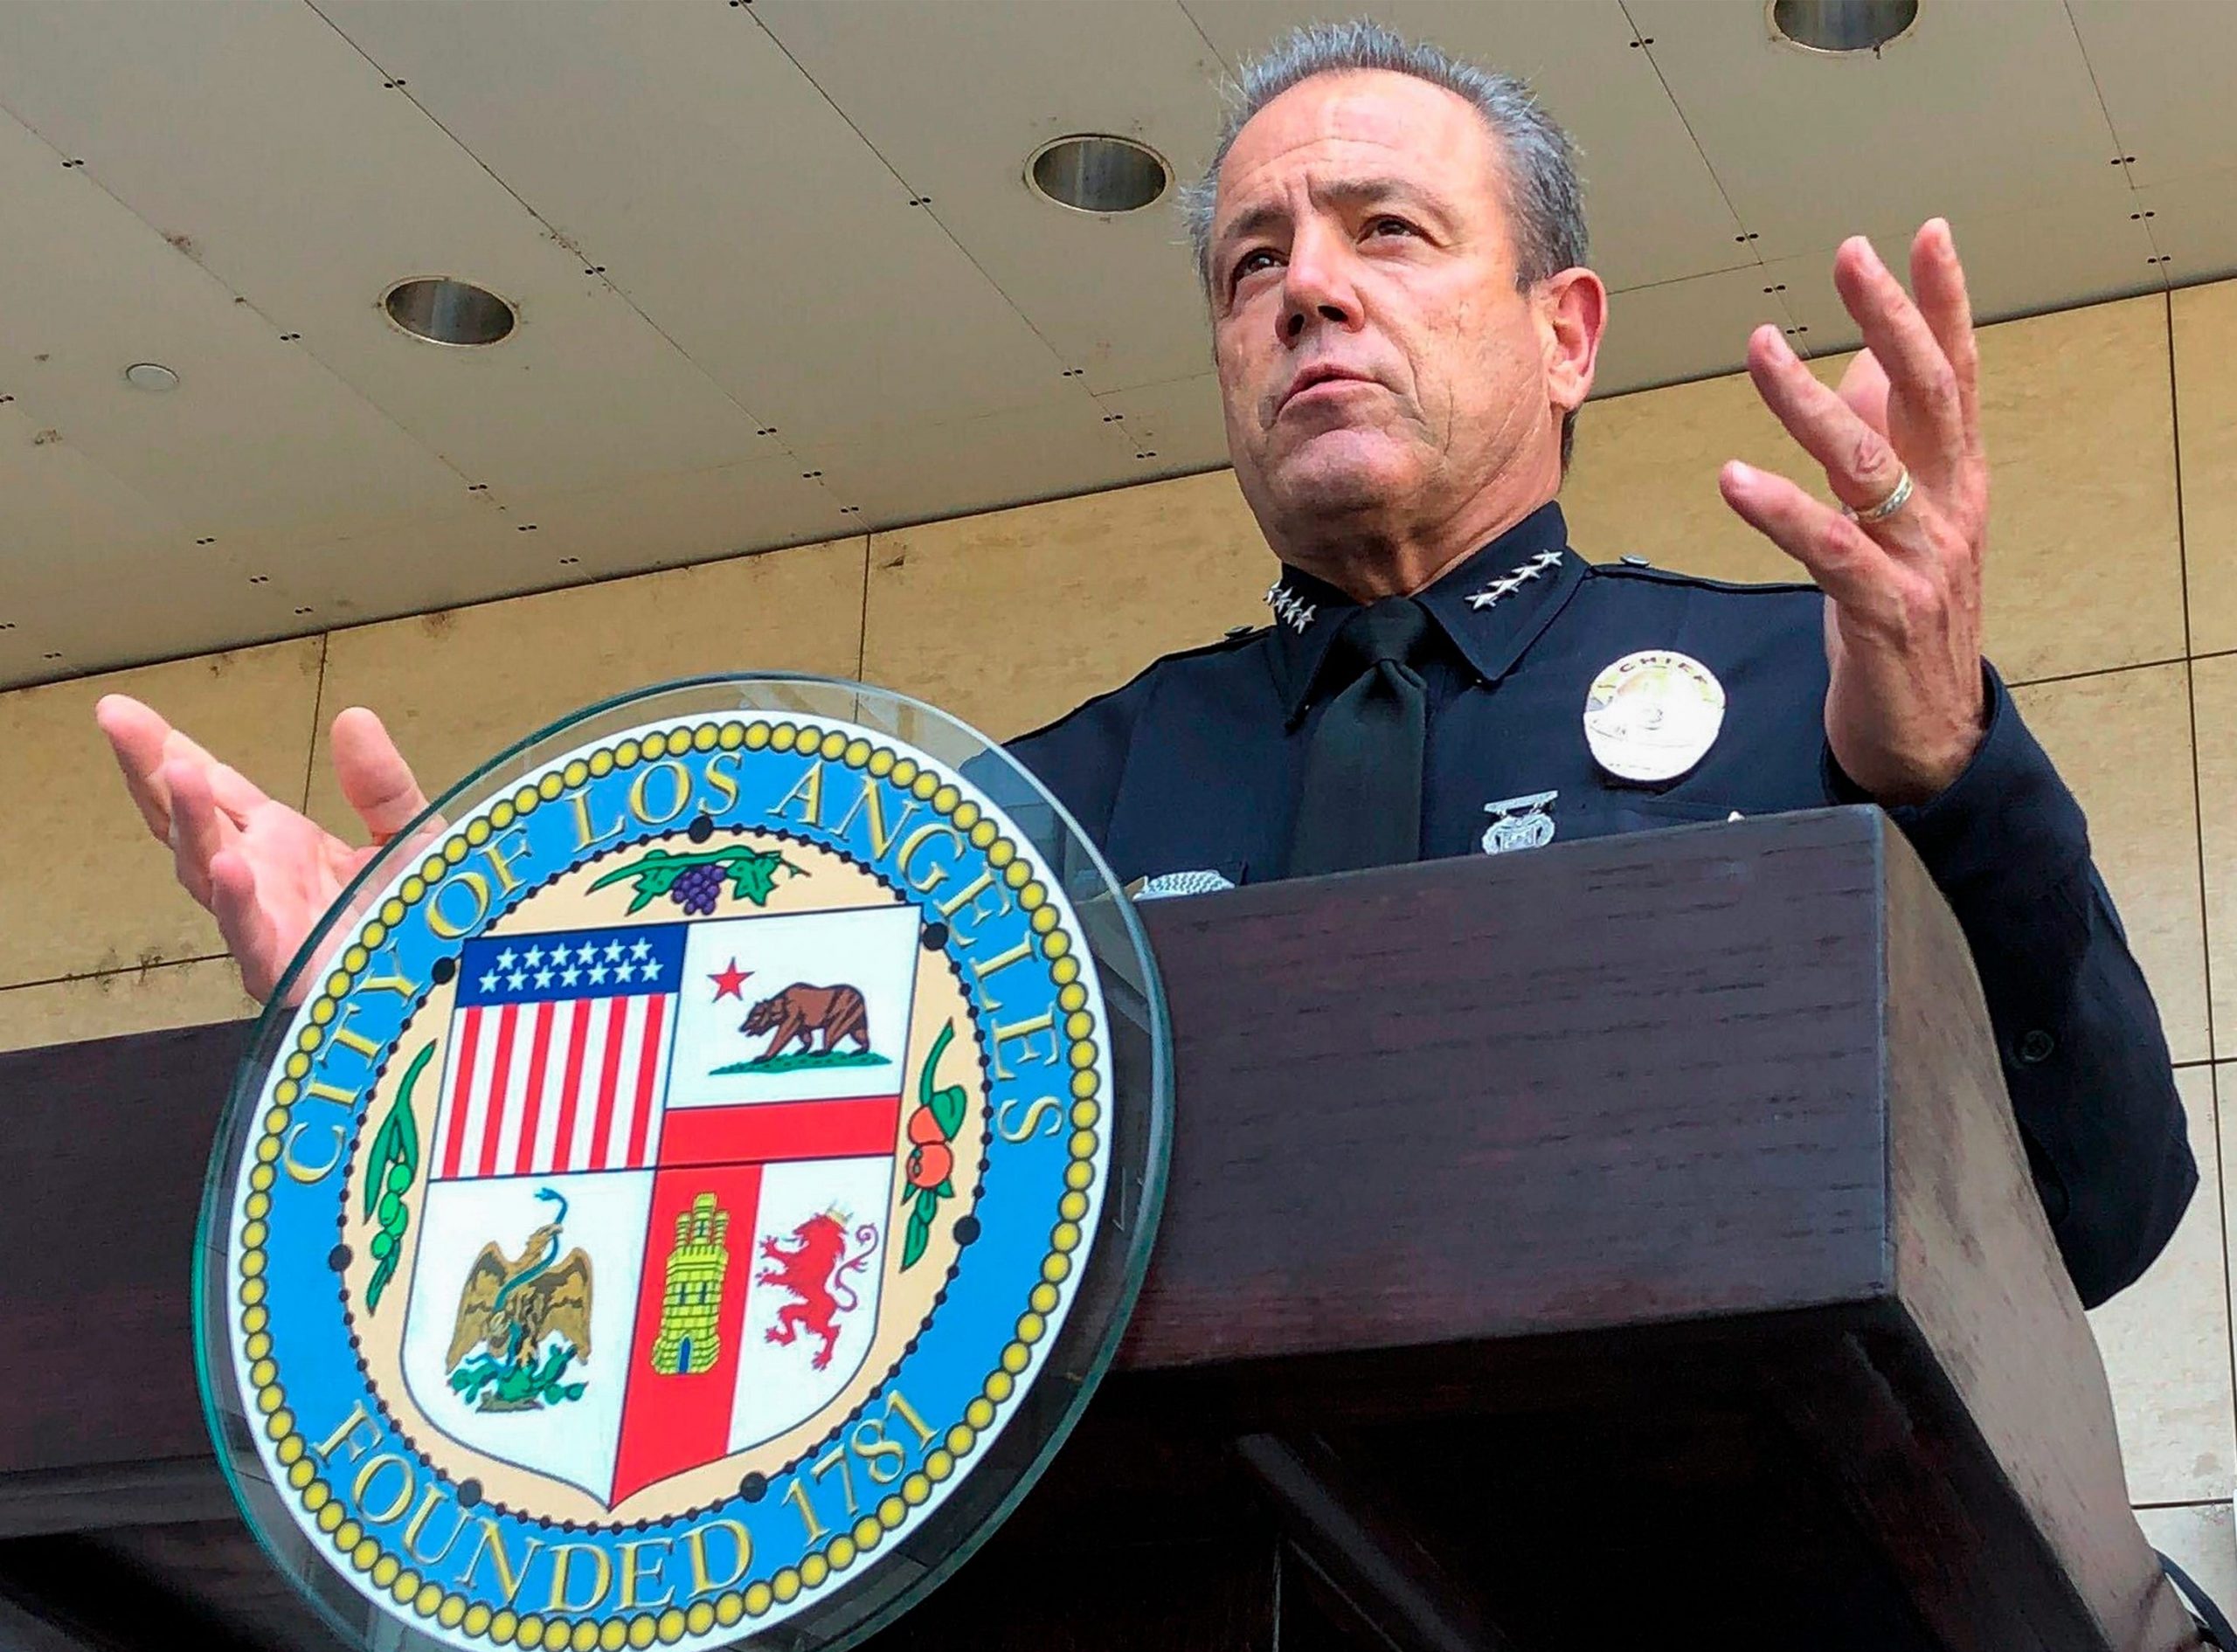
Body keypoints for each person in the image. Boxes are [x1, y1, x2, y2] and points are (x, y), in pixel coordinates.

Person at [95, 22, 2190, 1309]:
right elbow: (733, 1181)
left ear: (1563, 331)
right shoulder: (1028, 812)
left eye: (1384, 234)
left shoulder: (1795, 689)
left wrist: (1943, 773)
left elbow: (2101, 1209)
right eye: (1250, 264)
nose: (1305, 297)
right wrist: (409, 1016)